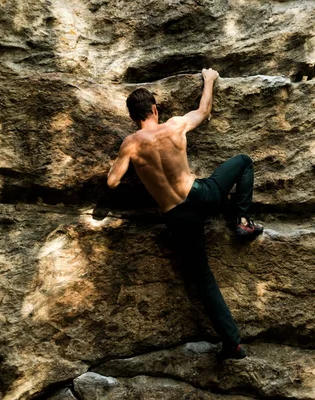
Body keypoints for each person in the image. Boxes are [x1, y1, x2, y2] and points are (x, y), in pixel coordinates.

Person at [107, 68, 263, 360]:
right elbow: (203, 110)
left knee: (203, 280)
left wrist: (119, 160)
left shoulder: (130, 144)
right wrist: (209, 79)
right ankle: (242, 222)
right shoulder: (175, 125)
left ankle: (233, 343)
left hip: (178, 217)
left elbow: (112, 182)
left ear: (133, 117)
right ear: (155, 108)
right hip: (201, 196)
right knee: (243, 162)